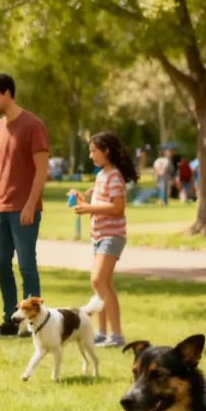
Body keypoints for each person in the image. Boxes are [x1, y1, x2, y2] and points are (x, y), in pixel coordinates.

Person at [0, 73, 49, 338]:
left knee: (27, 265)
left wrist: (31, 204)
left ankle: (34, 325)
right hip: (1, 210)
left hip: (24, 209)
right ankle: (10, 321)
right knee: (0, 264)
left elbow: (42, 169)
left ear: (8, 93)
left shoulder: (33, 125)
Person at [70, 131, 136, 348]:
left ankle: (116, 336)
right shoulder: (102, 175)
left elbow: (117, 208)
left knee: (97, 280)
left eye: (93, 151)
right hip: (99, 235)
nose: (90, 155)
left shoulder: (114, 176)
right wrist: (85, 201)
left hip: (112, 235)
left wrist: (89, 207)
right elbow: (102, 203)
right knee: (103, 284)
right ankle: (102, 333)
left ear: (106, 151)